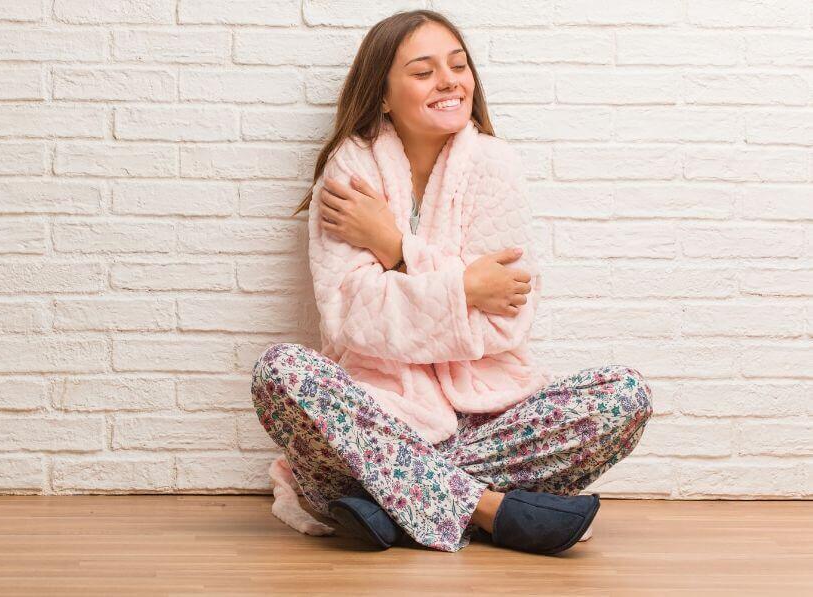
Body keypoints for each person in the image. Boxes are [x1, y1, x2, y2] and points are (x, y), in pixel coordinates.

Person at [250, 9, 653, 555]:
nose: (449, 81)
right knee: (281, 371)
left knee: (623, 396)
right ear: (384, 95)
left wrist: (397, 249)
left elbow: (505, 318)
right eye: (423, 71)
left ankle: (387, 504)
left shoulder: (493, 165)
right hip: (381, 415)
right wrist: (464, 286)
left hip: (484, 418)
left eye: (458, 65)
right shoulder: (349, 175)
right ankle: (488, 507)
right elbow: (355, 316)